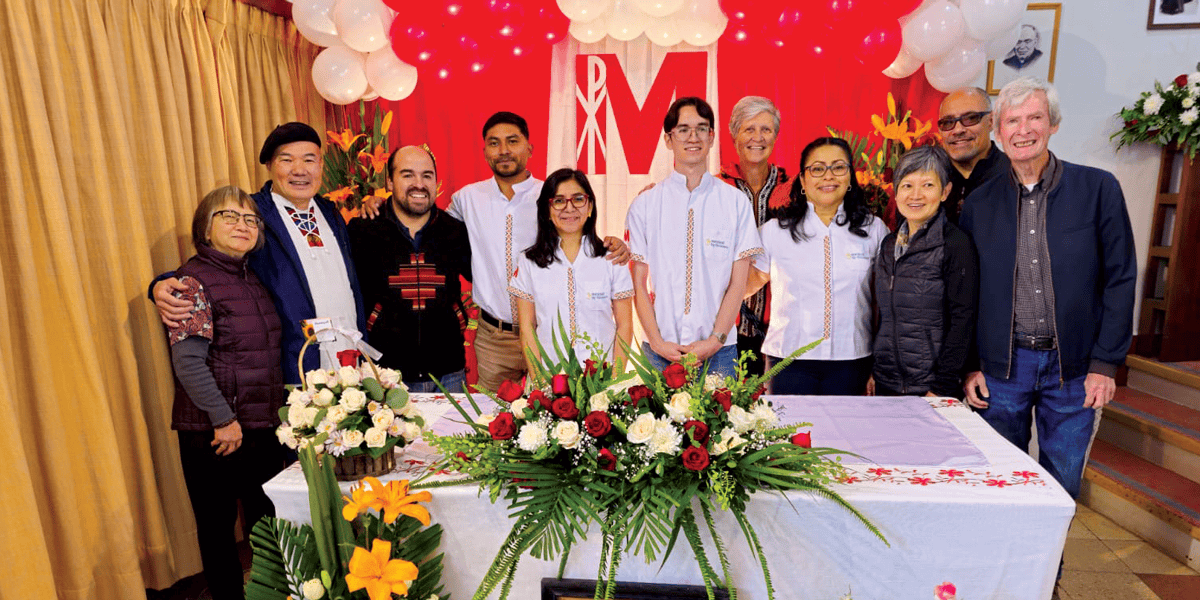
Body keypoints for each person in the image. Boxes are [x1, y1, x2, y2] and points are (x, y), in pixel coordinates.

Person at [961, 77, 1137, 499]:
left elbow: (1120, 278)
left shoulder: (1099, 189)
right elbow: (966, 293)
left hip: (1074, 370)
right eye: (1012, 120)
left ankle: (1047, 569)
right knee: (1001, 482)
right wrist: (969, 365)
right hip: (1001, 370)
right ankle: (1005, 567)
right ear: (998, 133)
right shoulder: (979, 204)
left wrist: (1105, 363)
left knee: (1060, 486)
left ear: (1053, 124)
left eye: (1034, 117)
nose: (1023, 130)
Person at [152, 123, 367, 382]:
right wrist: (162, 282)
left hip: (351, 358)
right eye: (287, 160)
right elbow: (215, 261)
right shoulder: (253, 212)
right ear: (270, 167)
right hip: (295, 365)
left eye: (309, 160)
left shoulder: (331, 213)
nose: (300, 170)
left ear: (320, 165)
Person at [447, 112, 628, 391]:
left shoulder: (552, 194)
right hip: (495, 337)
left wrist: (617, 244)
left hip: (552, 337)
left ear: (529, 148)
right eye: (494, 143)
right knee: (497, 422)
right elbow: (430, 229)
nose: (504, 150)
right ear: (484, 151)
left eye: (512, 141)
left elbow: (579, 236)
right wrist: (378, 203)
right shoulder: (466, 198)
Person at [167, 186, 286, 600]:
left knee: (267, 527)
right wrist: (223, 419)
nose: (242, 225)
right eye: (228, 216)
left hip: (258, 427)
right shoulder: (192, 282)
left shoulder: (252, 277)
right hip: (215, 431)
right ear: (205, 227)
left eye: (250, 219)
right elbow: (188, 362)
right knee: (218, 534)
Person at [627, 97, 763, 378]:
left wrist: (715, 340)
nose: (693, 137)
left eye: (702, 129)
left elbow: (738, 283)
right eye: (683, 129)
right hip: (659, 350)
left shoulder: (735, 203)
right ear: (668, 139)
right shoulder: (646, 204)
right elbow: (638, 282)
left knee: (723, 421)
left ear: (712, 137)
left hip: (720, 352)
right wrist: (656, 341)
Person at [747, 137, 889, 395]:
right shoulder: (773, 232)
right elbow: (741, 286)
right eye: (817, 168)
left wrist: (880, 363)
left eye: (838, 167)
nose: (828, 176)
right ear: (802, 180)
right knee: (789, 435)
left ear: (849, 177)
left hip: (853, 361)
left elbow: (883, 301)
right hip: (788, 362)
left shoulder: (874, 229)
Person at [348, 146, 471, 393]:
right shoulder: (363, 230)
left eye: (427, 175)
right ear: (390, 182)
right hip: (384, 375)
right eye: (407, 175)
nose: (419, 184)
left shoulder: (455, 231)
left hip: (449, 373)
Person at [870, 146, 978, 398]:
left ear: (945, 192)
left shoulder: (954, 244)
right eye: (907, 185)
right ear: (896, 192)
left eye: (928, 185)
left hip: (931, 388)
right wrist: (873, 371)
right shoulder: (888, 245)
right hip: (886, 383)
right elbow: (882, 317)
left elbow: (963, 319)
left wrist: (942, 385)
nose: (916, 195)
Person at [508, 168, 634, 371]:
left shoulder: (611, 258)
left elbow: (625, 327)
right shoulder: (529, 262)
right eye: (558, 201)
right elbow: (527, 329)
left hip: (601, 382)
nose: (569, 208)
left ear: (590, 206)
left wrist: (614, 382)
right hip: (550, 381)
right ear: (547, 210)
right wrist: (541, 384)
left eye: (577, 199)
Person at [718, 96, 795, 376]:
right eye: (748, 129)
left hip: (782, 332)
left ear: (775, 136)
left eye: (766, 129)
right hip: (724, 331)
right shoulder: (714, 189)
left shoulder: (795, 190)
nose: (757, 138)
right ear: (734, 134)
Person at [937, 87, 1011, 223]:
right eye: (948, 122)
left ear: (991, 122)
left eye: (971, 118)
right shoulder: (929, 178)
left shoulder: (1015, 177)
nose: (958, 130)